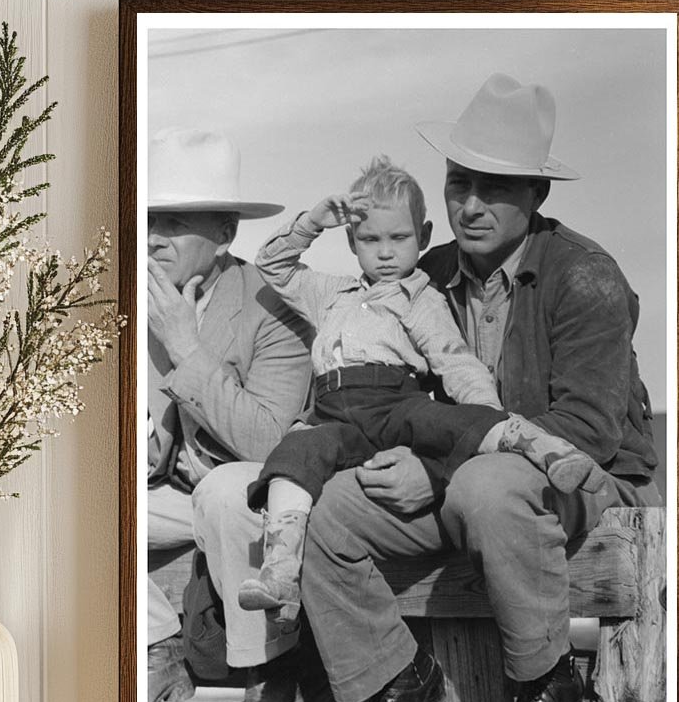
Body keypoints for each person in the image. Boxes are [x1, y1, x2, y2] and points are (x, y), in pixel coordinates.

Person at [195, 72, 660, 702]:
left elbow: (589, 430)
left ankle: (544, 681)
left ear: (536, 196)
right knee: (328, 508)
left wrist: (433, 467)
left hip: (576, 479)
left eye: (495, 187)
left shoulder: (584, 277)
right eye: (458, 182)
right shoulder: (425, 268)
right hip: (459, 467)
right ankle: (395, 677)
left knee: (487, 484)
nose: (471, 204)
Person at [237, 157, 606, 627]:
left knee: (448, 421)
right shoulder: (332, 293)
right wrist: (313, 223)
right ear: (351, 241)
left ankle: (546, 451)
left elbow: (455, 361)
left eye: (399, 238)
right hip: (332, 415)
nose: (385, 253)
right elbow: (273, 264)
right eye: (370, 240)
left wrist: (484, 413)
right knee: (291, 461)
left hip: (393, 403)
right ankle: (279, 572)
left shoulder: (421, 298)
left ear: (424, 238)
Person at [146, 127, 311, 702]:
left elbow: (270, 444)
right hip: (179, 494)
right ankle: (159, 642)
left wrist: (186, 346)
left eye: (177, 222)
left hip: (265, 494)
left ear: (225, 234)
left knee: (224, 493)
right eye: (152, 217)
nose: (157, 235)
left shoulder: (276, 307)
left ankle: (269, 673)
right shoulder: (139, 296)